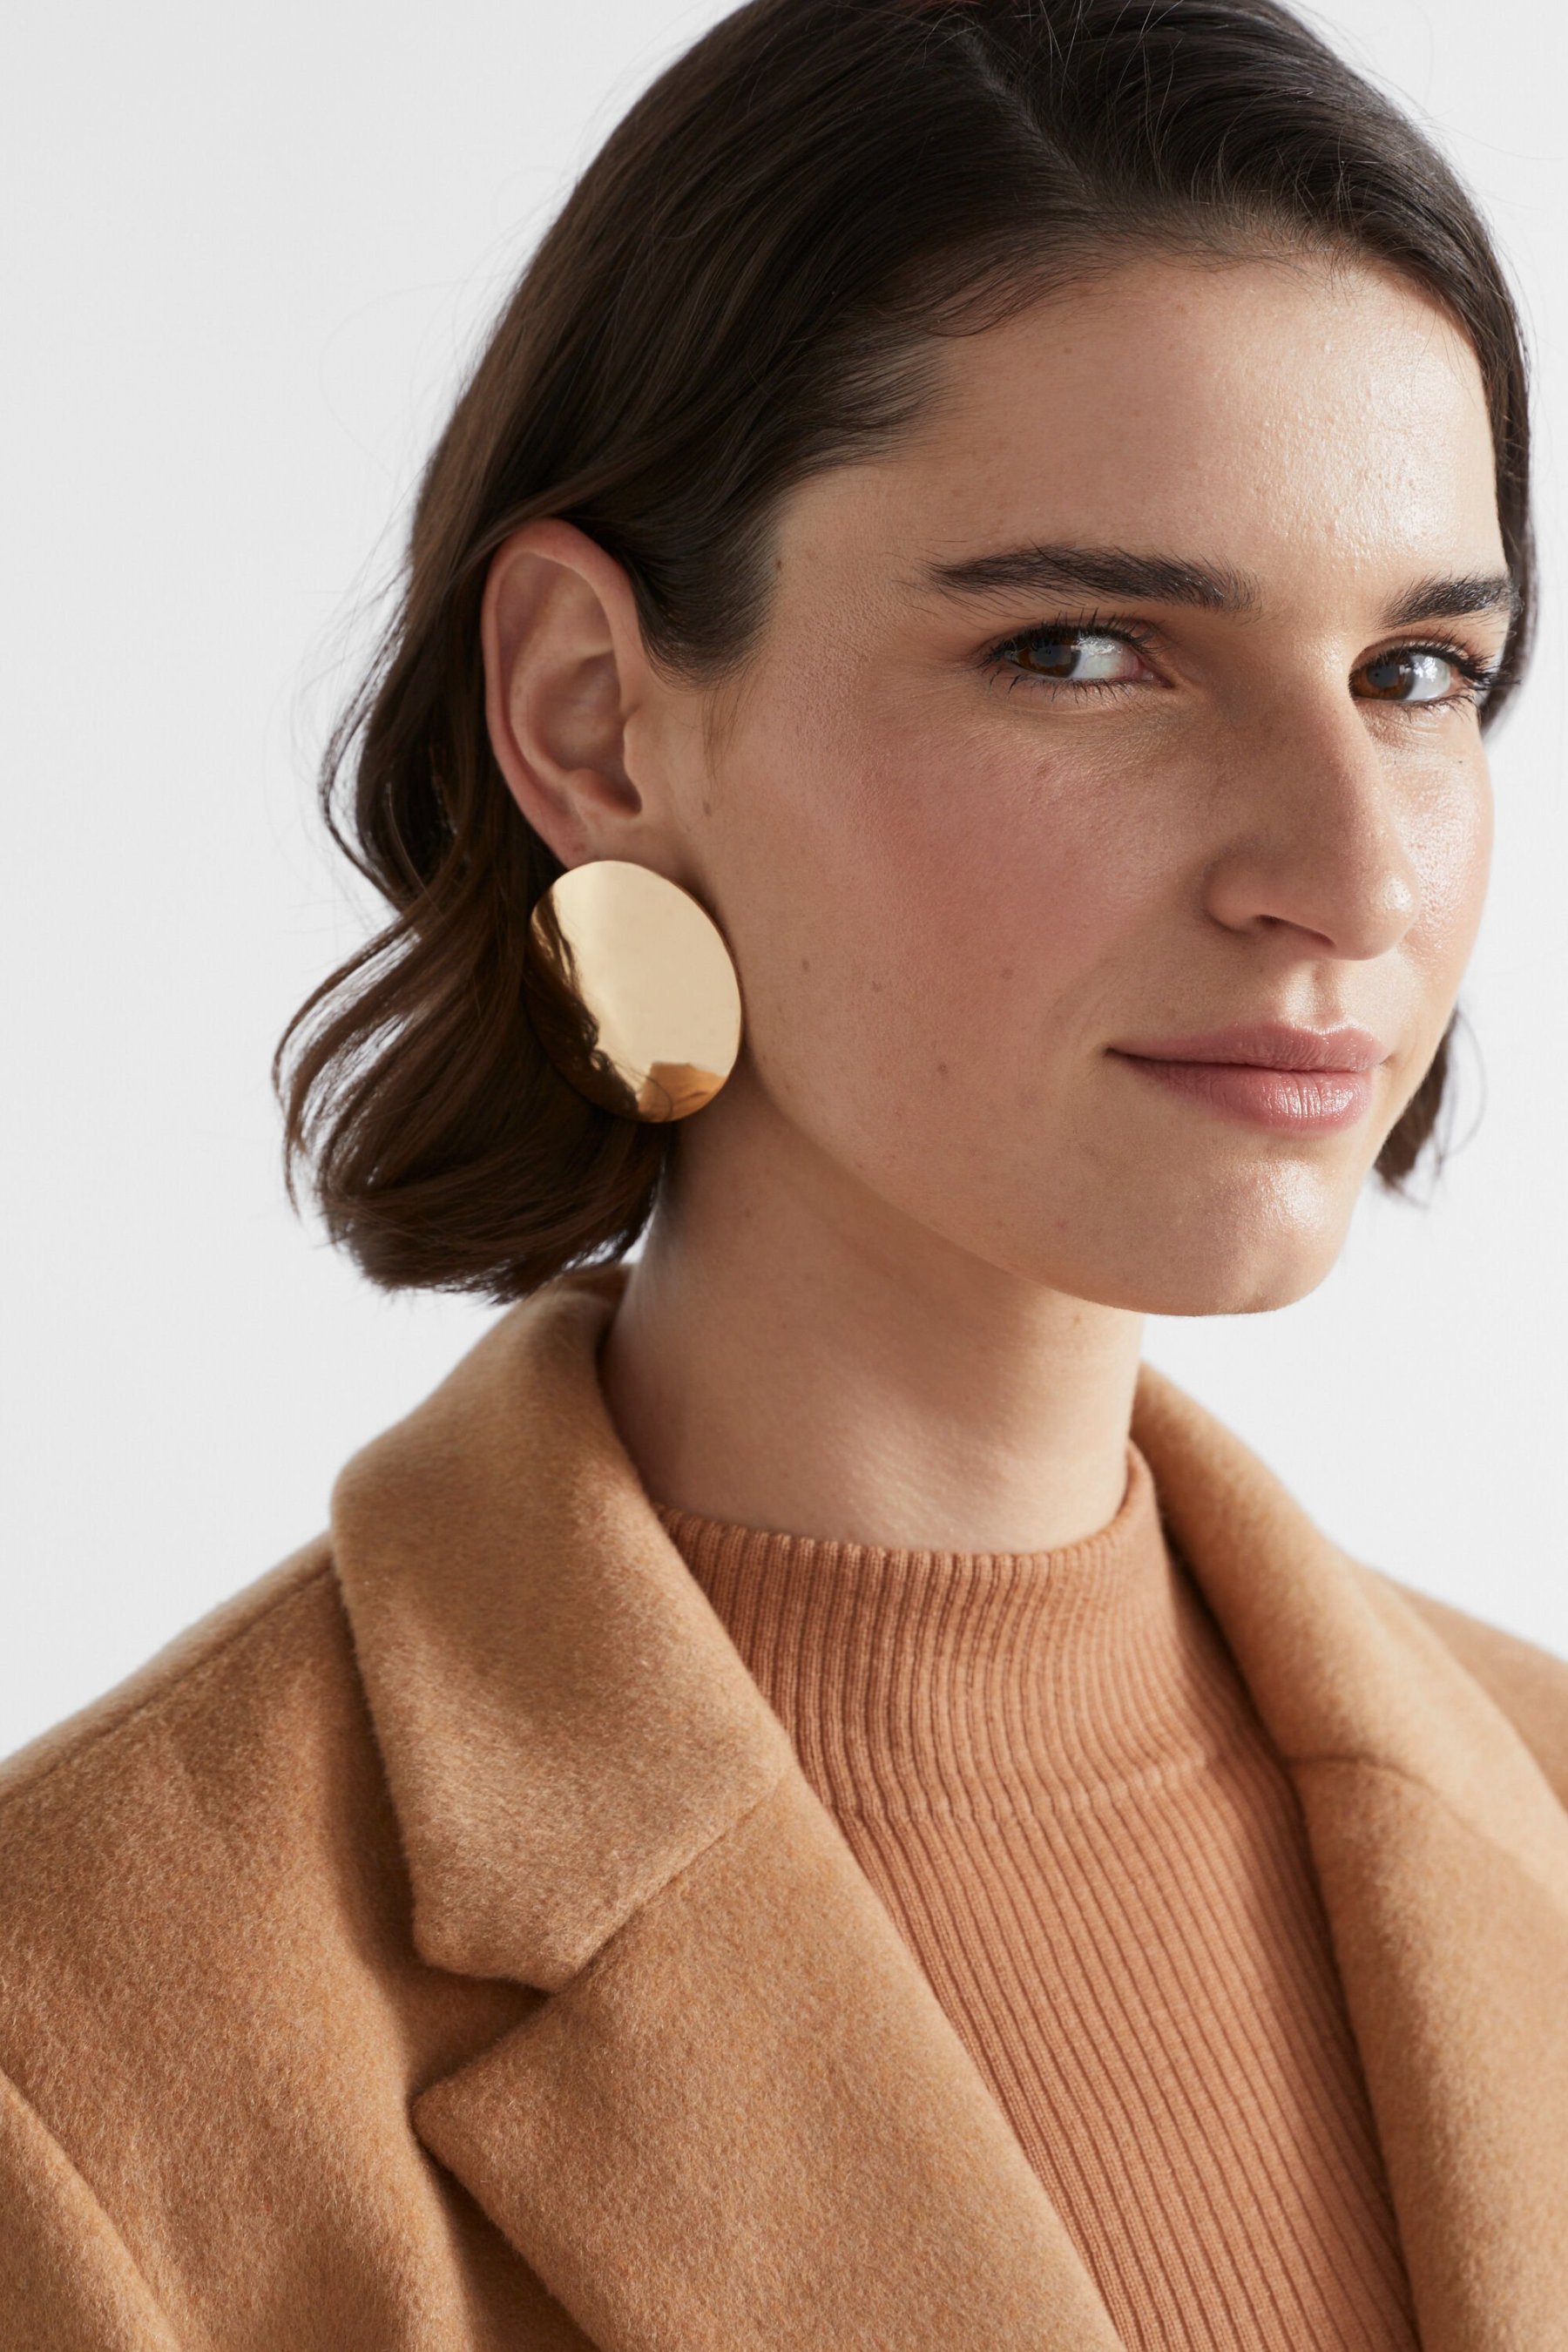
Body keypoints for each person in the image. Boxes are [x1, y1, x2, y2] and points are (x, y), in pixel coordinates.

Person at [3, 1, 1565, 2345]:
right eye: (1087, 649)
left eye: (1420, 673)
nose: (1351, 875)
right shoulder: (81, 2057)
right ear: (592, 715)